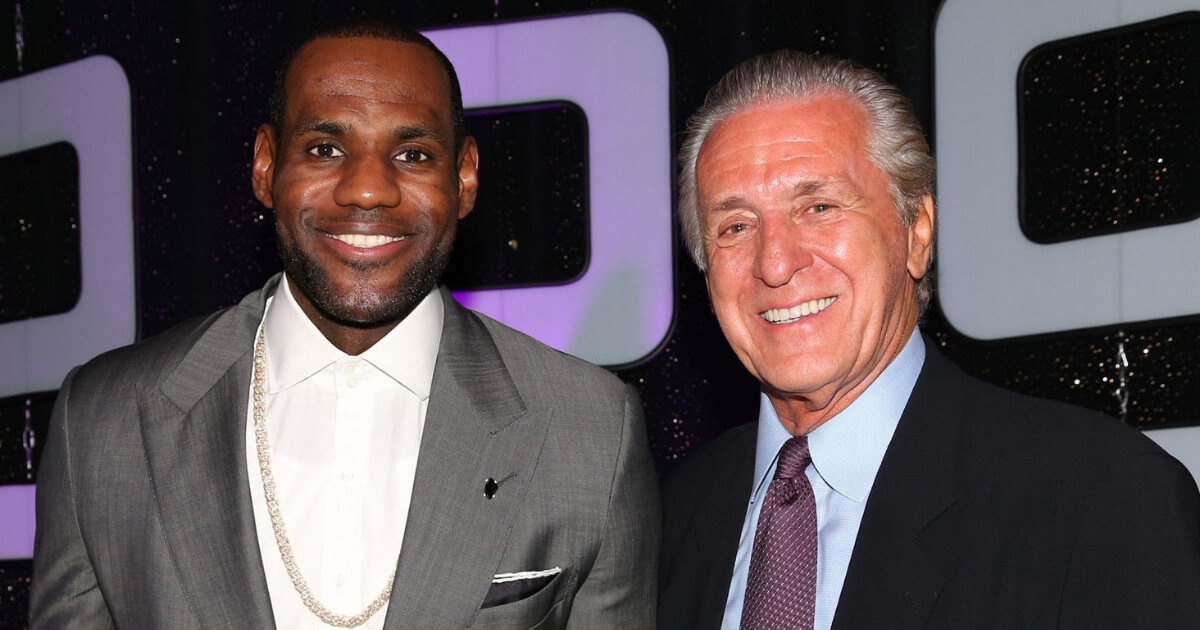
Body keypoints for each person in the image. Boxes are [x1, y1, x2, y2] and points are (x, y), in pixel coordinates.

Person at [31, 20, 658, 629]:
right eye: (325, 149)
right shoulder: (104, 421)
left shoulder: (591, 430)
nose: (366, 190)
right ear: (265, 166)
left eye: (412, 153)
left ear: (464, 178)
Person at [658, 50, 1200, 630]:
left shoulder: (1103, 499)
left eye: (818, 207)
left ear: (917, 231)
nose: (775, 263)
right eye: (735, 226)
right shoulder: (671, 514)